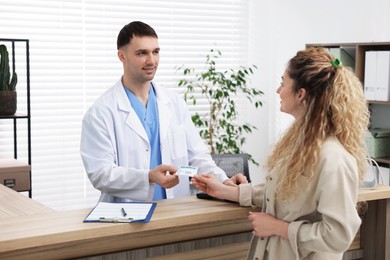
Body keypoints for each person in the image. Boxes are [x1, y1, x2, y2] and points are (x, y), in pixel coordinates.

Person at [191, 47, 369, 259]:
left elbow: (338, 235)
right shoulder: (301, 144)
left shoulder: (334, 158)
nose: (278, 90)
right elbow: (282, 193)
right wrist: (224, 191)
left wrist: (279, 228)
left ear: (301, 94)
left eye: (283, 83)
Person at [80, 21, 246, 203]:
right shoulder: (100, 113)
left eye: (155, 52)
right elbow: (100, 173)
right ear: (122, 56)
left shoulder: (173, 102)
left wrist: (223, 181)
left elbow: (196, 156)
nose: (151, 61)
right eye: (142, 53)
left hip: (173, 210)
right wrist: (148, 176)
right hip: (126, 214)